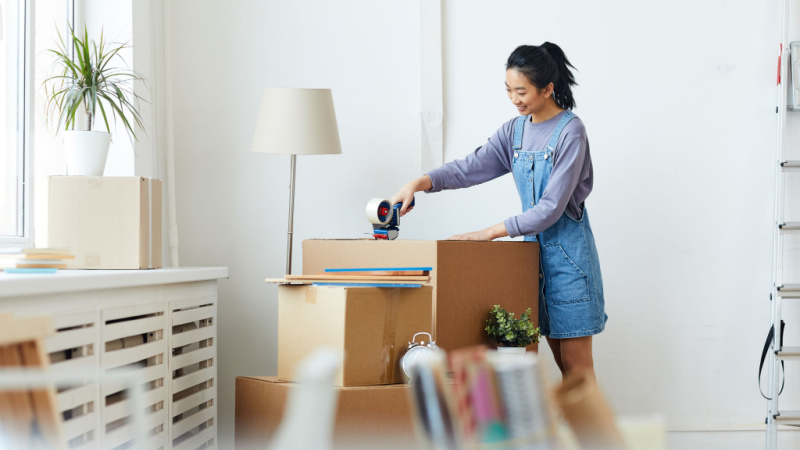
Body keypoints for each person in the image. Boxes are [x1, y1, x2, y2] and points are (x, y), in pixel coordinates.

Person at [390, 42, 607, 379]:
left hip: (570, 263)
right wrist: (419, 182)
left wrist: (487, 233)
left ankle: (594, 433)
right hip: (531, 264)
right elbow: (470, 167)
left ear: (548, 88)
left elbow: (550, 209)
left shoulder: (571, 132)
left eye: (522, 91)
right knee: (560, 368)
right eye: (509, 90)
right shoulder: (514, 132)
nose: (514, 99)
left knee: (577, 370)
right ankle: (569, 431)